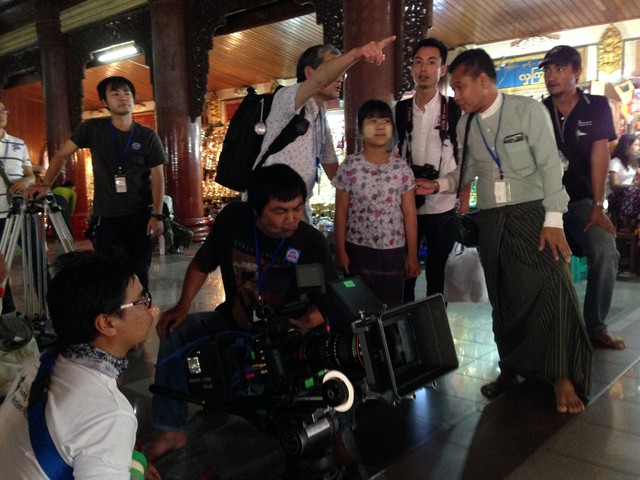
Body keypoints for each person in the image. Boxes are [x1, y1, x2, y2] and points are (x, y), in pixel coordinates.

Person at [418, 48, 592, 414]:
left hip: (534, 214)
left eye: (460, 87)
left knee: (555, 288)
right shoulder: (466, 124)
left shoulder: (528, 111)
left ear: (483, 80)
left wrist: (554, 220)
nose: (456, 95)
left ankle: (562, 376)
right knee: (503, 296)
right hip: (492, 219)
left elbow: (550, 167)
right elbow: (465, 172)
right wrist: (438, 186)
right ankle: (511, 368)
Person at [148, 164, 338, 458]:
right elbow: (201, 264)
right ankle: (171, 429)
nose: (291, 219)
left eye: (297, 208)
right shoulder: (233, 220)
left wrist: (299, 325)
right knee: (175, 333)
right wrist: (183, 306)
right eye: (280, 211)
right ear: (256, 210)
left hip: (286, 333)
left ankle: (333, 434)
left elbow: (328, 303)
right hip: (233, 321)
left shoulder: (310, 242)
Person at [0, 250, 158, 478]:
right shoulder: (110, 414)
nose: (150, 307)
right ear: (107, 323)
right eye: (141, 301)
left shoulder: (44, 360)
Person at [29, 76, 167, 289]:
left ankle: (140, 307)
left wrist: (157, 215)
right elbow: (62, 154)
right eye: (115, 93)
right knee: (110, 275)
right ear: (104, 101)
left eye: (127, 93)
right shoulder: (92, 128)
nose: (123, 97)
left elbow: (158, 177)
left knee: (140, 272)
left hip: (140, 215)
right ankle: (114, 309)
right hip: (107, 216)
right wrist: (46, 183)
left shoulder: (148, 136)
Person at [257, 36, 395, 221]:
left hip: (298, 207)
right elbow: (319, 81)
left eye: (343, 72)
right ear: (309, 72)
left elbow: (331, 166)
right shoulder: (287, 97)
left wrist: (370, 189)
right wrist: (356, 54)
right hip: (270, 207)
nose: (341, 77)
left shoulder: (319, 114)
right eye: (336, 69)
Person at [541, 45, 624, 350]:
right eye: (547, 70)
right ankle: (551, 330)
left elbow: (600, 154)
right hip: (545, 203)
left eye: (560, 69)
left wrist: (598, 206)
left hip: (581, 203)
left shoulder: (596, 105)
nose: (551, 76)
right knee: (539, 259)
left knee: (605, 250)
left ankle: (595, 327)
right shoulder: (539, 110)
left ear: (577, 72)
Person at [332, 99, 420, 307]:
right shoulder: (350, 166)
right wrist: (340, 250)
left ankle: (389, 332)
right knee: (360, 307)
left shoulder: (401, 168)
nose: (380, 127)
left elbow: (409, 214)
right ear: (360, 129)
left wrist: (412, 254)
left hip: (393, 251)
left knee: (391, 309)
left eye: (386, 121)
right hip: (358, 249)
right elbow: (341, 212)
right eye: (372, 121)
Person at [395, 38, 462, 302]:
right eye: (418, 62)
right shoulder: (400, 110)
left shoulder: (455, 109)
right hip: (407, 205)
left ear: (442, 70)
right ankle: (404, 323)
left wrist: (460, 202)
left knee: (438, 277)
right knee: (405, 275)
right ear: (412, 68)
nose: (424, 69)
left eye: (431, 62)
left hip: (443, 206)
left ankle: (435, 324)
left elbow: (465, 159)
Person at [0, 100, 36, 313]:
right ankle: (7, 311)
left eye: (4, 110)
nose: (2, 114)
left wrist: (26, 180)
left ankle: (50, 303)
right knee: (0, 267)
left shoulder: (19, 143)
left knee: (37, 257)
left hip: (20, 211)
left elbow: (31, 175)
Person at [607, 133, 640, 231]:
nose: (638, 148)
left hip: (629, 193)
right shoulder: (615, 162)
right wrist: (631, 185)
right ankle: (624, 224)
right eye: (636, 145)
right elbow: (613, 185)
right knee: (631, 190)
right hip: (615, 195)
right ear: (627, 146)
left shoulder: (632, 162)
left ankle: (633, 223)